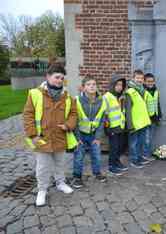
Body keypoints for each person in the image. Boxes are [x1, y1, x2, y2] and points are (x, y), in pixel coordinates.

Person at [23, 63, 77, 206]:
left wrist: (68, 125)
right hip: (42, 138)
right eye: (56, 77)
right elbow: (28, 115)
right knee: (43, 166)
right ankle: (42, 189)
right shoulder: (35, 94)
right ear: (47, 77)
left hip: (60, 136)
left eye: (62, 78)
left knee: (60, 163)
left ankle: (60, 183)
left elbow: (73, 113)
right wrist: (33, 135)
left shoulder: (67, 96)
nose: (59, 80)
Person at [71, 76, 107, 188]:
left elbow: (101, 121)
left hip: (93, 134)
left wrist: (98, 137)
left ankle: (97, 173)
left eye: (94, 84)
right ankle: (77, 177)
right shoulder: (77, 100)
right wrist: (77, 138)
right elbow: (75, 120)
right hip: (80, 134)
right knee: (79, 156)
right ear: (83, 88)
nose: (92, 86)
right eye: (88, 84)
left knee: (96, 155)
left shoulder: (102, 101)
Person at [125, 70, 151, 168]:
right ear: (133, 78)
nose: (140, 80)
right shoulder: (130, 92)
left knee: (140, 142)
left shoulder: (142, 90)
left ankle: (139, 157)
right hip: (134, 123)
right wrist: (130, 125)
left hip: (142, 122)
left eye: (141, 78)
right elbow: (127, 110)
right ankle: (134, 160)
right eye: (137, 78)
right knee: (133, 143)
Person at [104, 73, 128, 175]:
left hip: (120, 126)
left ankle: (117, 161)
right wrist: (107, 127)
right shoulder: (107, 96)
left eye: (121, 85)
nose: (119, 87)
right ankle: (111, 165)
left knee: (119, 146)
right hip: (112, 127)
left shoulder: (120, 97)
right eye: (117, 85)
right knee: (113, 147)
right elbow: (104, 113)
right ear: (112, 85)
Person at [143, 73, 162, 161]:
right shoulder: (143, 91)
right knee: (146, 138)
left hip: (154, 118)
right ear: (144, 82)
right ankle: (145, 155)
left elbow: (157, 104)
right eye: (148, 81)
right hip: (146, 119)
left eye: (152, 81)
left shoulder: (156, 91)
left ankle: (147, 154)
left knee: (150, 138)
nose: (150, 83)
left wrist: (159, 116)